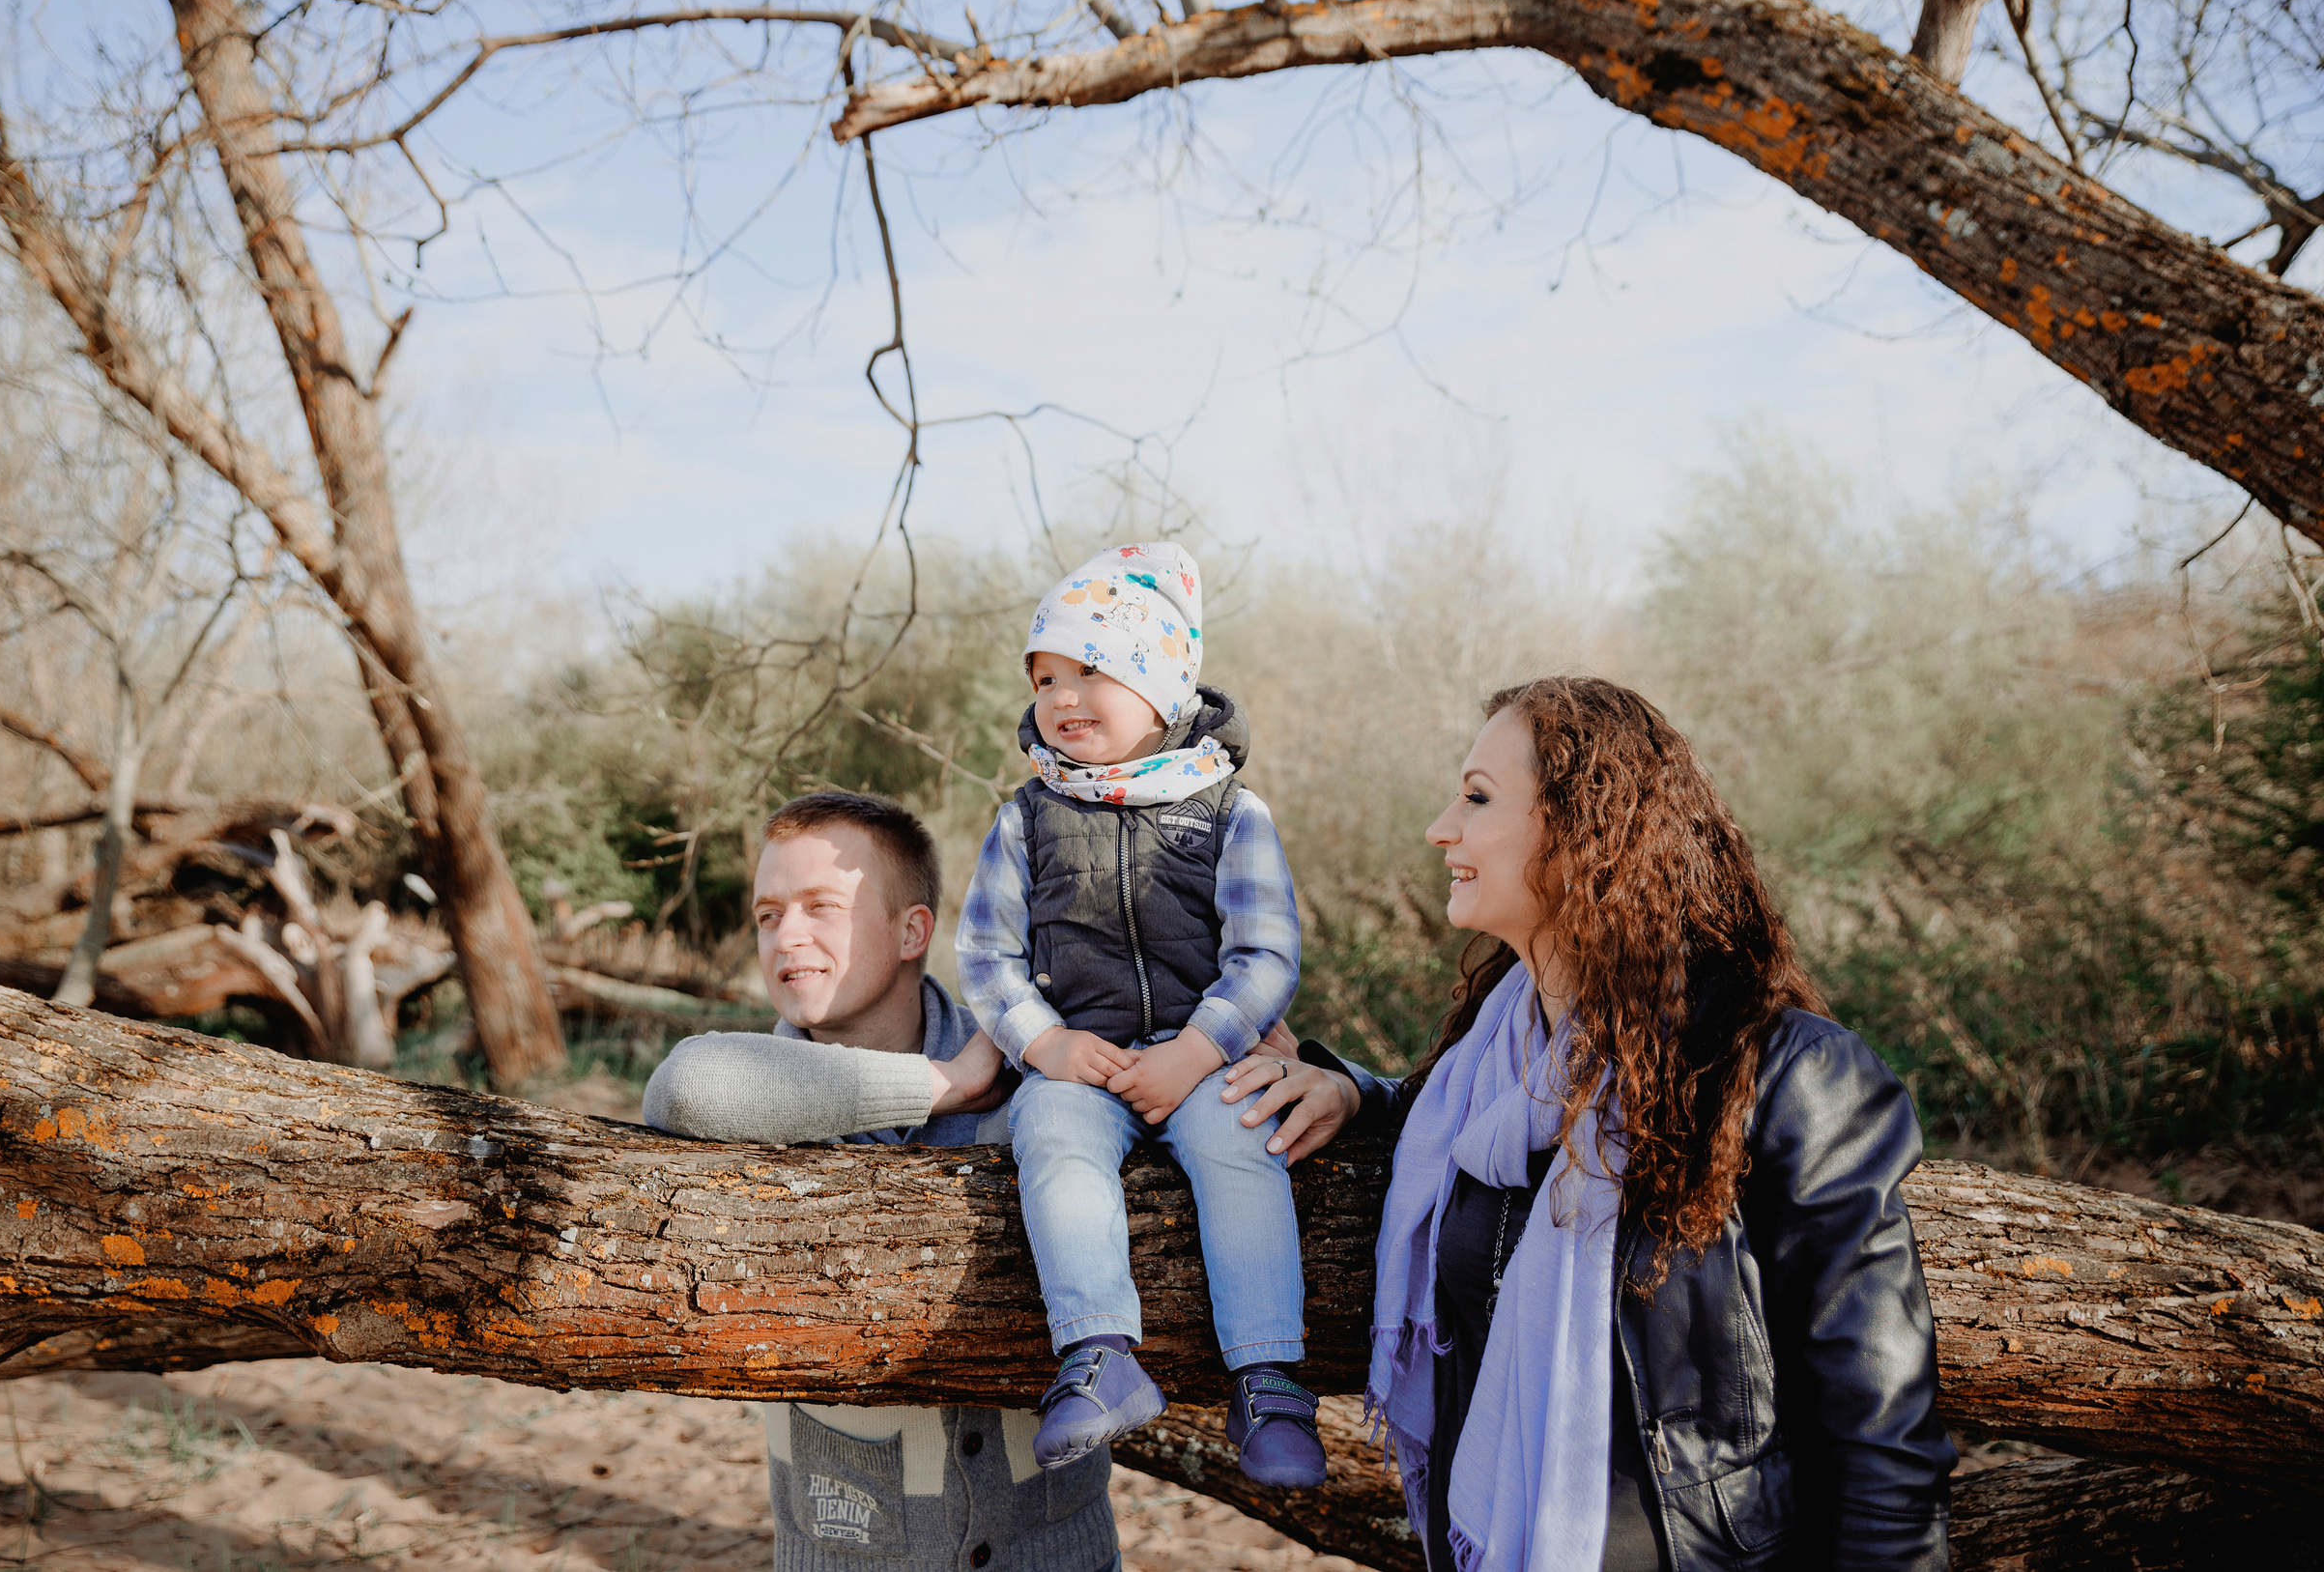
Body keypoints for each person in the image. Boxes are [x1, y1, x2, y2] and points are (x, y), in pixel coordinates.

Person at [1218, 675, 1956, 1571]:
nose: (1441, 828)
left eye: (1478, 797)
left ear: (1583, 831)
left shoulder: (1782, 1073)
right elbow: (1448, 1123)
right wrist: (1356, 1095)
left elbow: (1882, 1438)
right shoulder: (1486, 1070)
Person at [643, 791, 1122, 1572]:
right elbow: (686, 1086)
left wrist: (1329, 1080)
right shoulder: (752, 1096)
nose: (786, 935)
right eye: (768, 915)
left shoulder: (1026, 1058)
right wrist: (946, 1085)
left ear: (912, 931)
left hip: (1060, 1555)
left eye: (820, 906)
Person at [955, 541, 1326, 1487]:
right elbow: (986, 953)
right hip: (1084, 1058)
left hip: (1203, 1055)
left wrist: (1198, 1049)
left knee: (1242, 1136)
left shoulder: (1229, 811)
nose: (1061, 696)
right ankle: (1099, 1352)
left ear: (1159, 687)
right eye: (1045, 678)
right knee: (1051, 1129)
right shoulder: (1027, 817)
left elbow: (1265, 952)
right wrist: (1043, 1040)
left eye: (1089, 670)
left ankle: (1269, 1377)